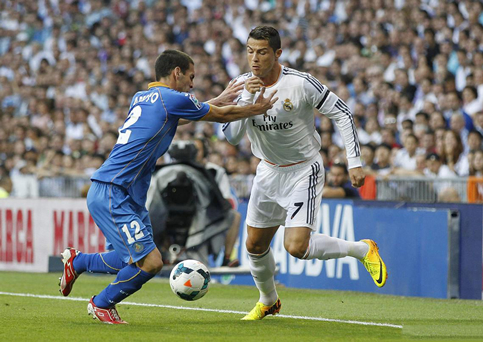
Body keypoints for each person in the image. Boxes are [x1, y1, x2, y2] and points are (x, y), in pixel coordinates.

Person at [58, 49, 277, 324]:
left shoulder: (144, 97)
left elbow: (182, 115)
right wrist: (255, 109)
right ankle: (101, 303)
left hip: (129, 194)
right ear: (177, 73)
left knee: (131, 258)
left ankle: (77, 262)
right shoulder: (171, 98)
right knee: (150, 263)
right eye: (191, 77)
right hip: (113, 190)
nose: (192, 84)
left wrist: (219, 99)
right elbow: (218, 116)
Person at [222, 26, 387, 321]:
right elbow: (231, 138)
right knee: (254, 245)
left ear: (277, 53)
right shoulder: (241, 85)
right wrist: (246, 101)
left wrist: (354, 161)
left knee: (296, 247)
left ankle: (362, 250)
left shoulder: (300, 84)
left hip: (303, 170)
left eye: (261, 52)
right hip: (267, 171)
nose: (254, 59)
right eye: (250, 51)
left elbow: (343, 113)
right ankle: (268, 300)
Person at [194, 137, 241, 267]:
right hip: (183, 216)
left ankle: (226, 258)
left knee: (235, 216)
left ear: (204, 152)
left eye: (197, 150)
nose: (194, 152)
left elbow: (228, 200)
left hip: (210, 216)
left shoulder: (215, 171)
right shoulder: (177, 168)